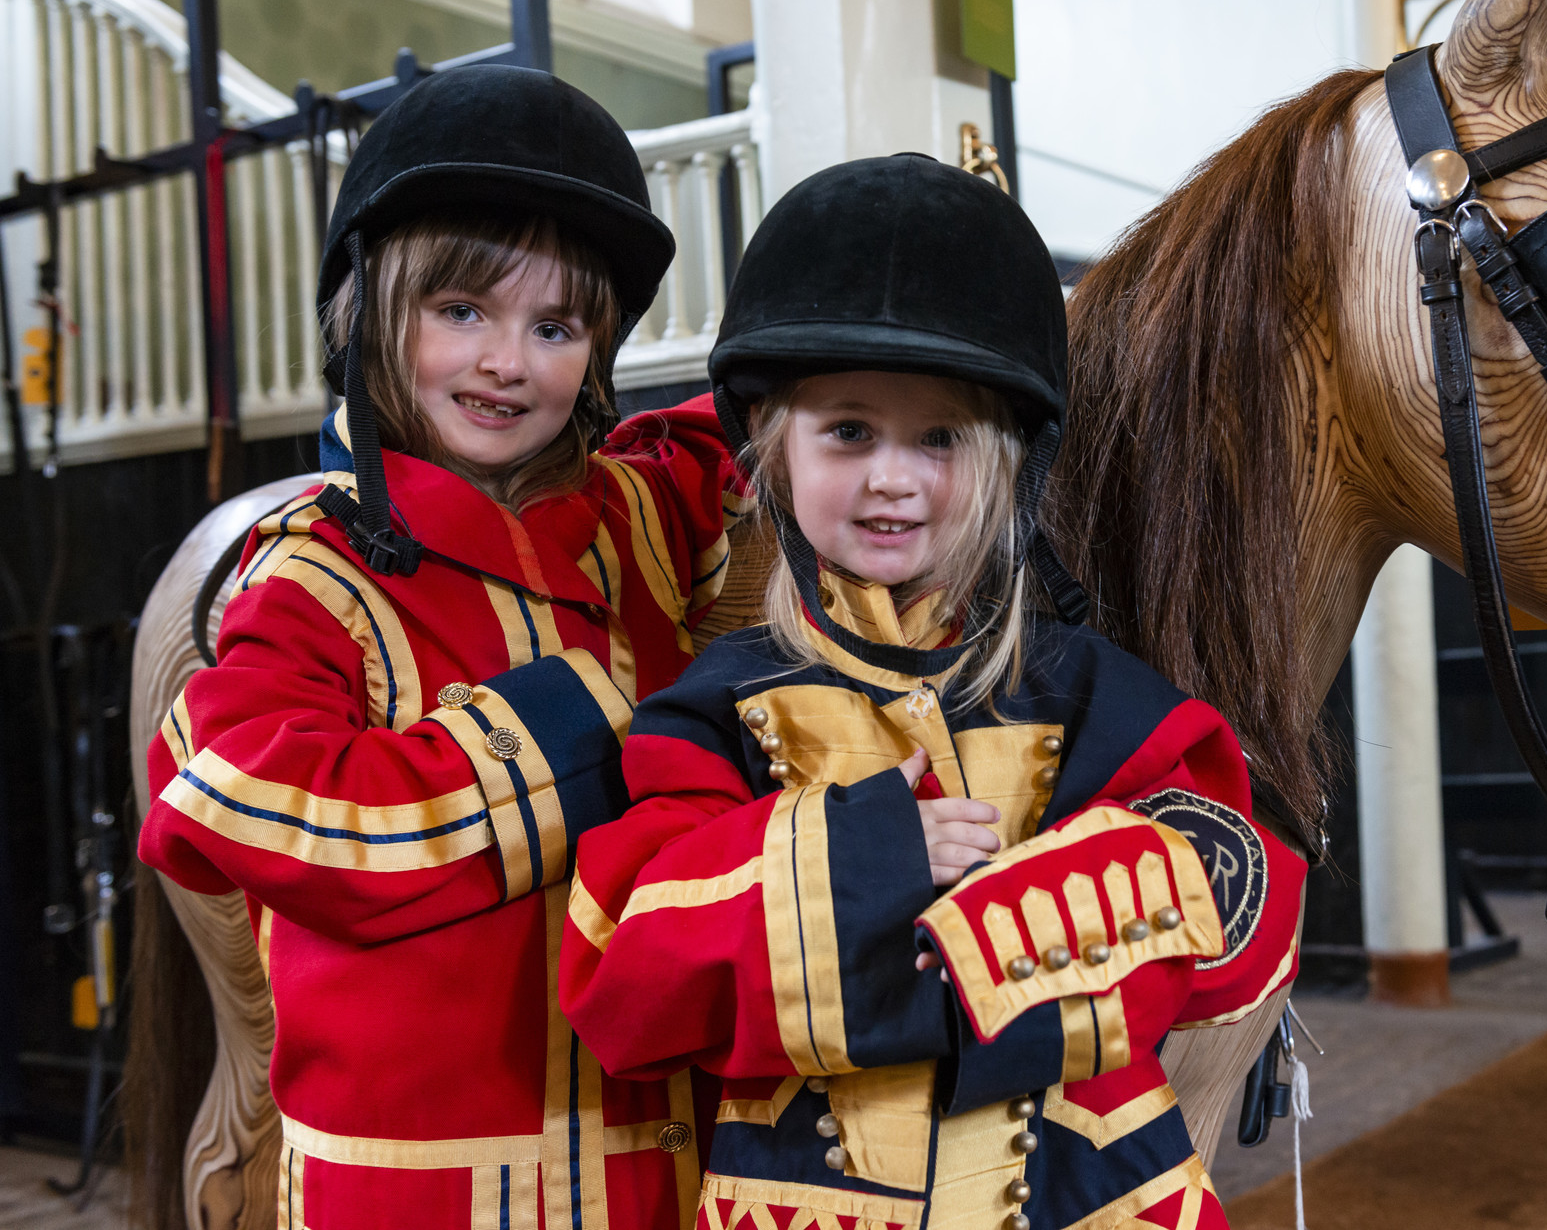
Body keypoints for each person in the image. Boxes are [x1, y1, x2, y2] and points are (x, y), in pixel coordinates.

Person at [562, 154, 1306, 1230]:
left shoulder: (1084, 690)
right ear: (772, 449)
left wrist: (967, 943)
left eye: (940, 438)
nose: (891, 478)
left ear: (1011, 463)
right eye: (848, 430)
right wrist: (879, 859)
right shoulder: (714, 705)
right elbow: (627, 980)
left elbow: (1241, 901)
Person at [137, 65, 745, 1230]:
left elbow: (762, 421)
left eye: (554, 325)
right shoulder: (316, 568)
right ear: (371, 312)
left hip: (655, 1176)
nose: (507, 362)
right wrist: (568, 745)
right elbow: (226, 798)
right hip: (414, 1198)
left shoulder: (635, 525)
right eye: (461, 310)